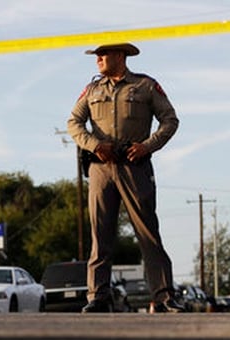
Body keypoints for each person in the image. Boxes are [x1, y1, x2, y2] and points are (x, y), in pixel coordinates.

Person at [67, 42, 185, 313]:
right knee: (100, 235)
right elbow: (74, 122)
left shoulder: (145, 86)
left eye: (104, 53)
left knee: (147, 233)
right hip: (100, 167)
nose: (98, 58)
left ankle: (164, 296)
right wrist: (94, 144)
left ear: (121, 56)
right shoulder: (92, 89)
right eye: (97, 54)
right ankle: (98, 297)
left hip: (135, 166)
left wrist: (148, 145)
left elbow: (170, 120)